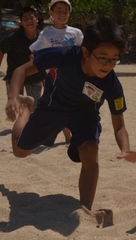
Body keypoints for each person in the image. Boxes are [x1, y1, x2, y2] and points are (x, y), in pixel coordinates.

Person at [5, 17, 136, 225]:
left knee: (91, 150)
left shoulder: (112, 84)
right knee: (20, 152)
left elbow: (119, 126)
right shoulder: (65, 55)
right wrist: (13, 97)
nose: (108, 65)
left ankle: (85, 210)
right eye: (103, 58)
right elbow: (21, 70)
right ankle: (27, 109)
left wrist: (125, 149)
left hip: (84, 116)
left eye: (114, 59)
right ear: (86, 51)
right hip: (52, 109)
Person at [29, 0, 84, 145]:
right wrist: (43, 74)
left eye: (66, 11)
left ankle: (69, 136)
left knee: (72, 107)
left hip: (73, 79)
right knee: (55, 107)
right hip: (53, 78)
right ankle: (56, 135)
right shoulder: (46, 34)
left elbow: (85, 53)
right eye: (58, 10)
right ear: (51, 13)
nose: (62, 14)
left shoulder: (76, 33)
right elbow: (35, 54)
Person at [0, 7, 46, 107]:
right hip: (15, 76)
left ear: (37, 19)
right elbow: (1, 50)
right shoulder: (14, 37)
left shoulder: (43, 37)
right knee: (16, 106)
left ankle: (28, 122)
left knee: (34, 107)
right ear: (21, 22)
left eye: (31, 18)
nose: (29, 21)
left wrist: (45, 77)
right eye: (25, 19)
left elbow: (46, 57)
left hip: (35, 76)